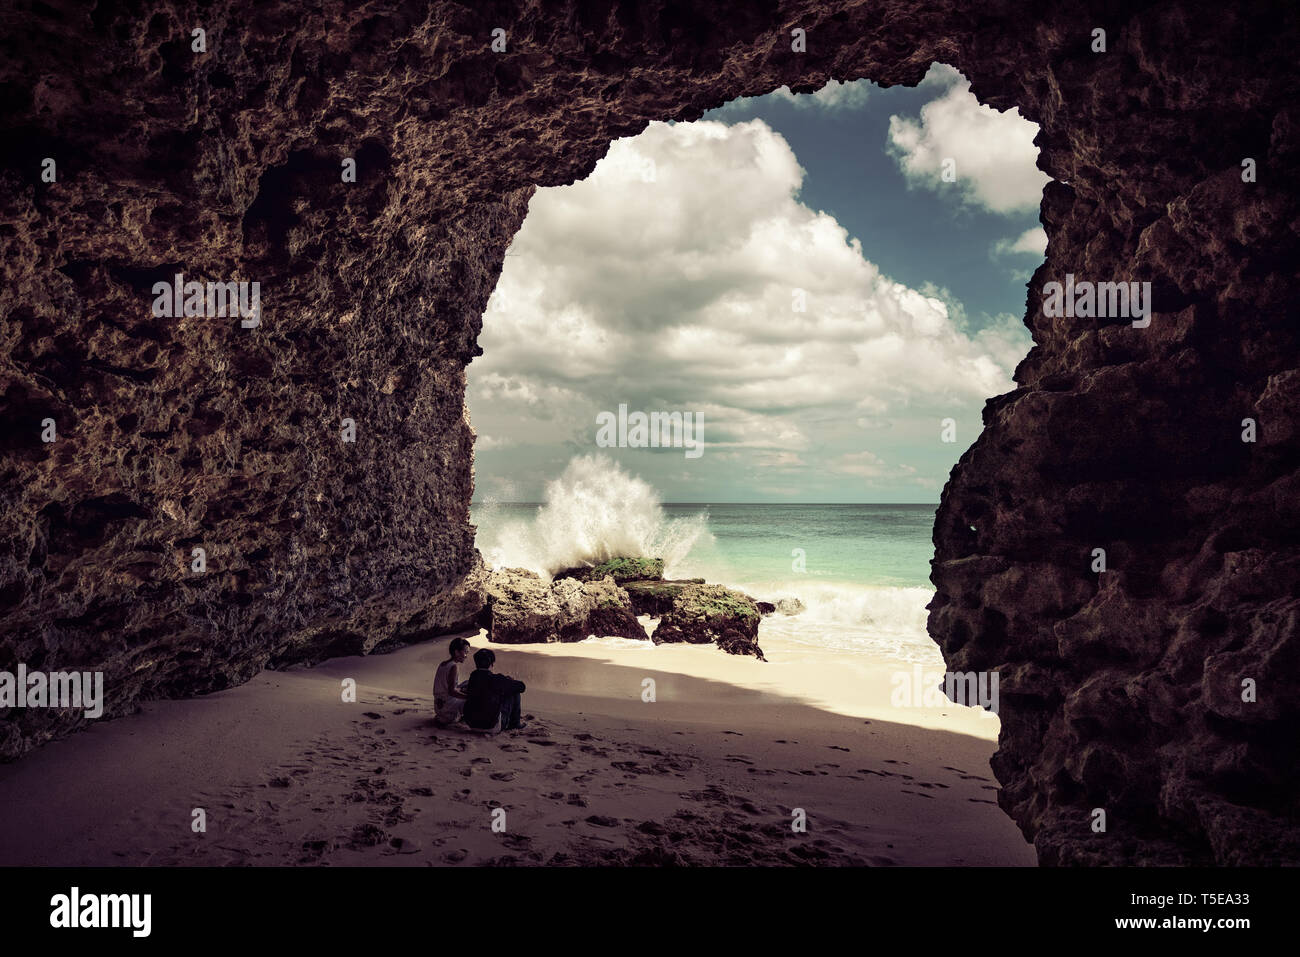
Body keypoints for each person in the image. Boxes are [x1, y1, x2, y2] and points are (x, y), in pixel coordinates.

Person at [463, 649, 527, 732]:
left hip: (472, 724)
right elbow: (522, 687)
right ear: (491, 663)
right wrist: (509, 681)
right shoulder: (496, 678)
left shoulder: (473, 677)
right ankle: (515, 724)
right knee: (514, 692)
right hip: (491, 726)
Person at [432, 638, 471, 726]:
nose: (466, 656)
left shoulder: (443, 664)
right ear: (457, 652)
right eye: (465, 652)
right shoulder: (454, 666)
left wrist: (461, 690)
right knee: (472, 700)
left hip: (439, 707)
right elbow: (452, 691)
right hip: (448, 710)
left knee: (466, 683)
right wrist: (469, 697)